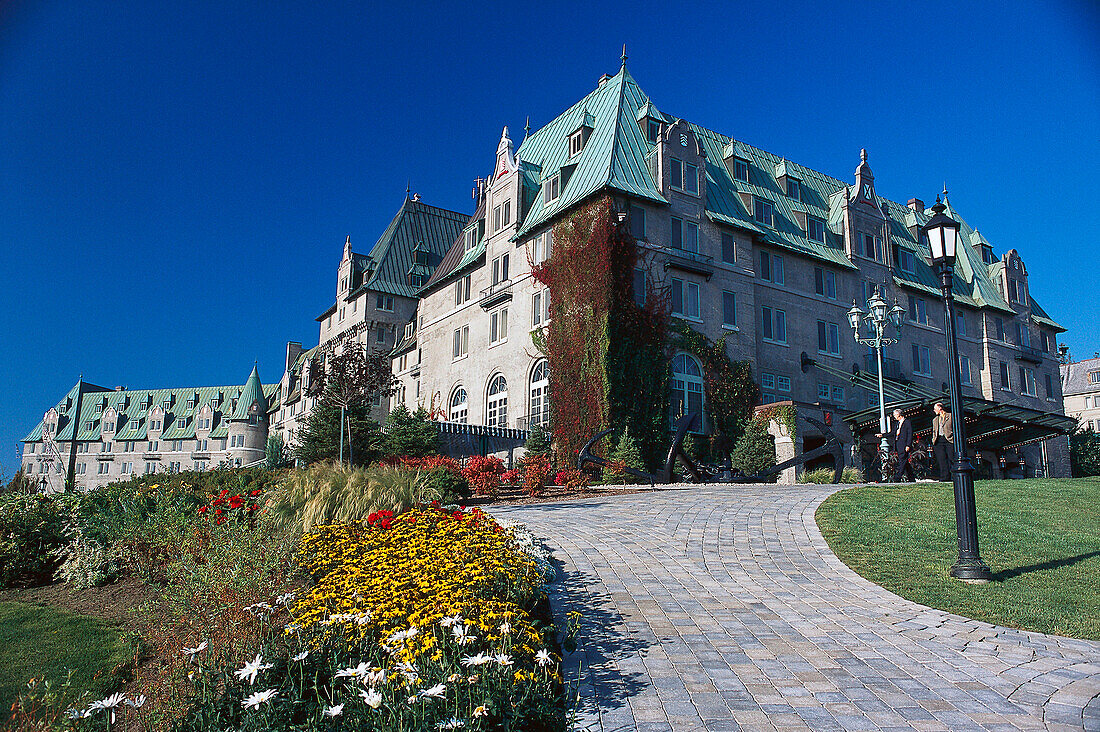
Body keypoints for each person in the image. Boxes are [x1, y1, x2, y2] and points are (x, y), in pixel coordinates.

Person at [931, 401, 954, 481]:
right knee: (942, 459)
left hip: (949, 440)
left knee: (952, 458)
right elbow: (934, 431)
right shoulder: (935, 420)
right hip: (939, 441)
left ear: (940, 408)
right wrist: (933, 439)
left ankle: (954, 476)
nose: (934, 411)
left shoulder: (950, 416)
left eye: (935, 409)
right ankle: (944, 477)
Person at [891, 409, 914, 482]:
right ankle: (911, 478)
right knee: (905, 462)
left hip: (904, 445)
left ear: (899, 415)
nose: (894, 416)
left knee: (902, 460)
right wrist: (882, 435)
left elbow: (910, 434)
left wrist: (908, 445)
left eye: (895, 415)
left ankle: (897, 477)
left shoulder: (907, 422)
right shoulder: (897, 424)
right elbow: (893, 433)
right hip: (898, 444)